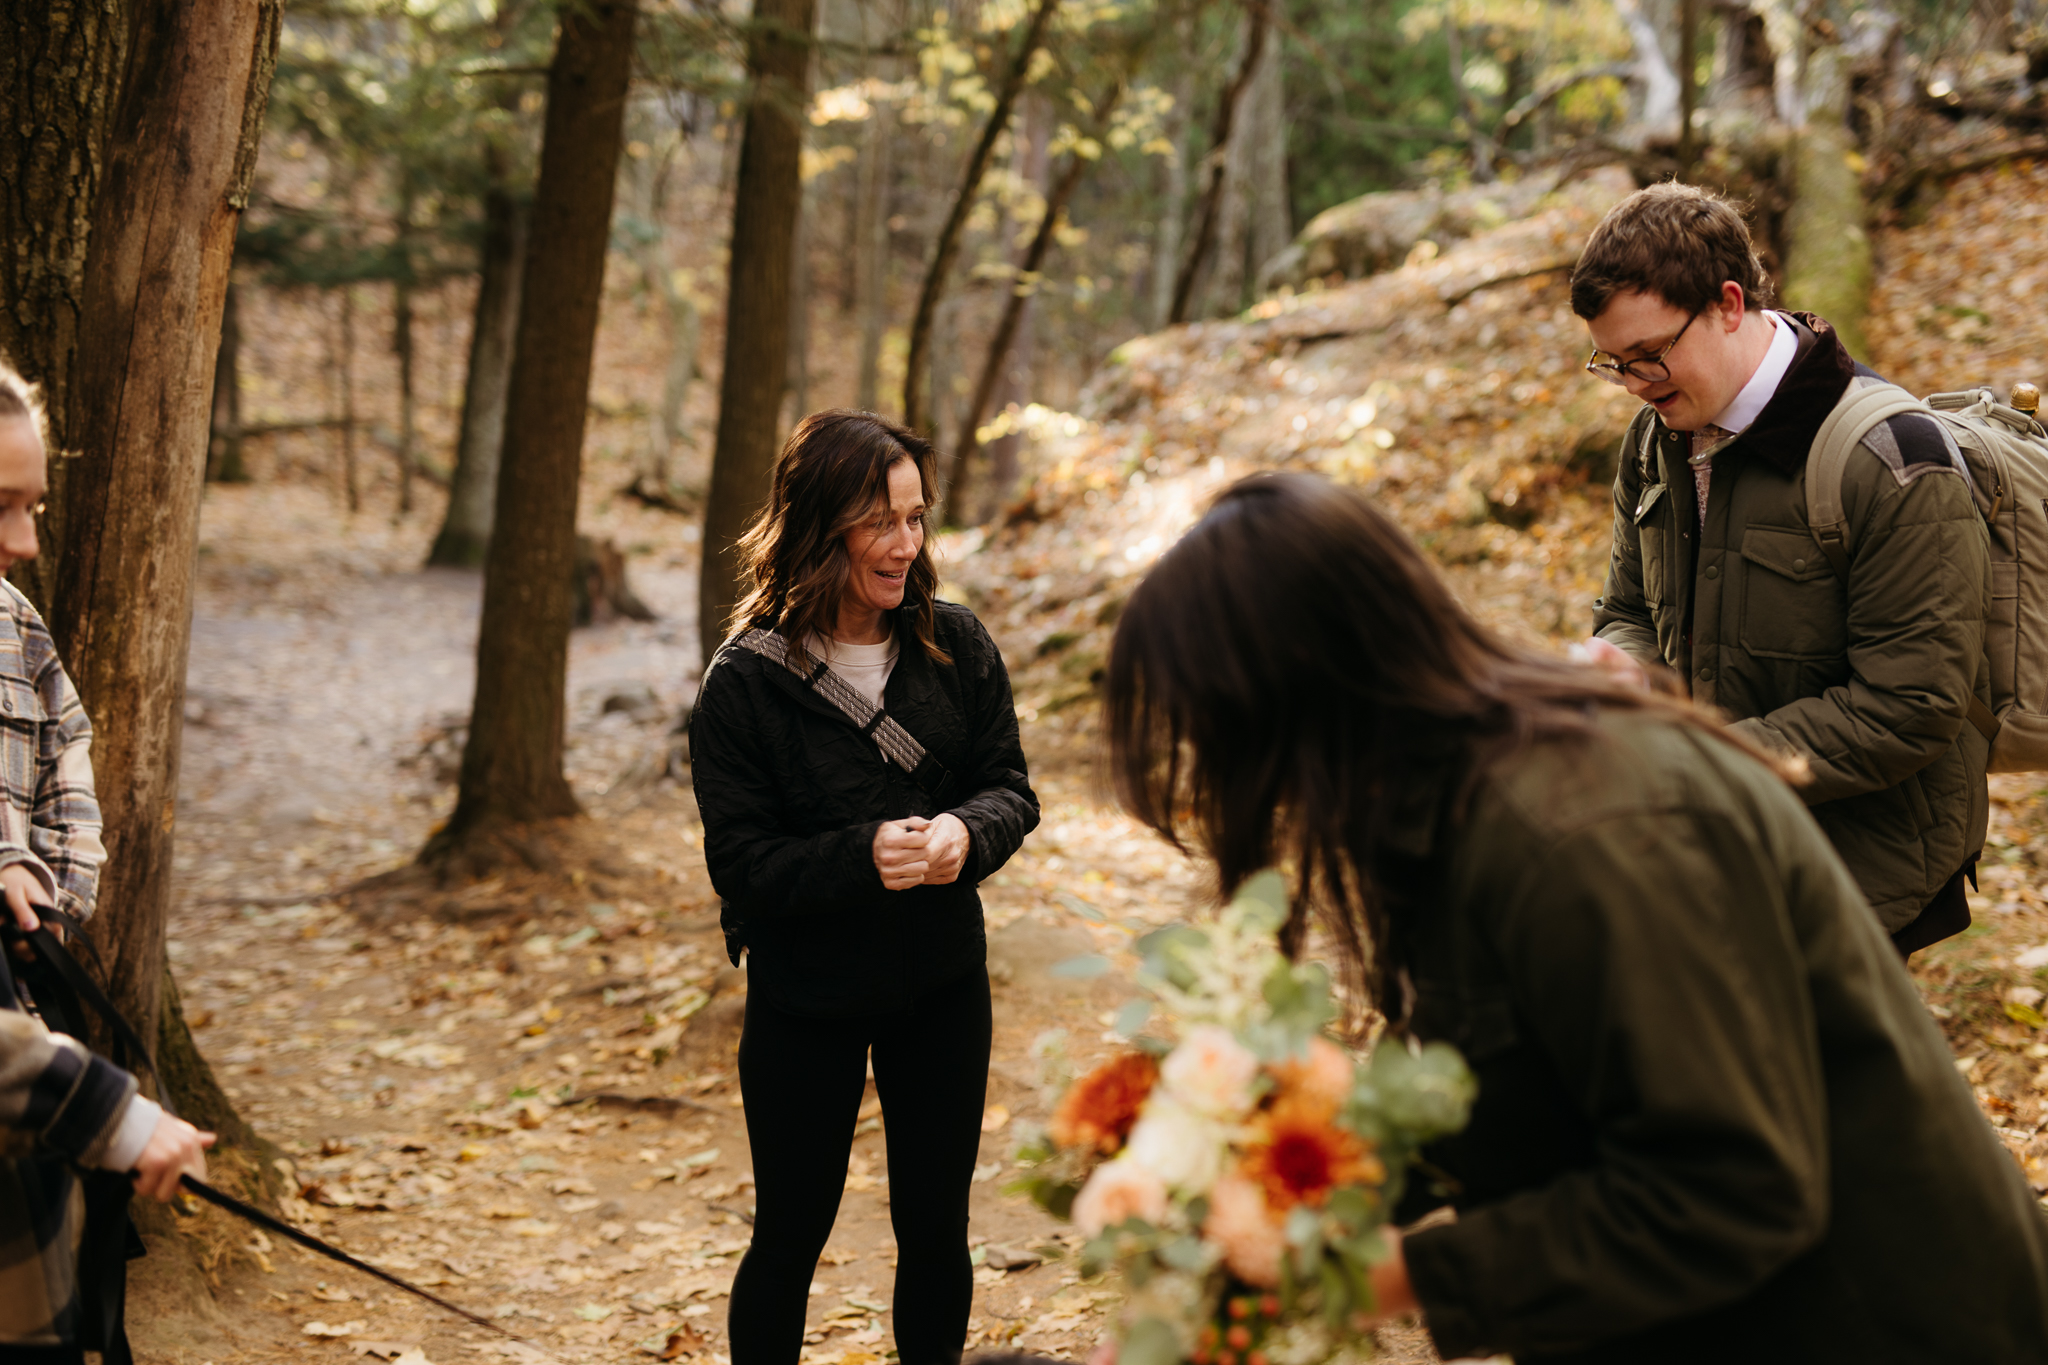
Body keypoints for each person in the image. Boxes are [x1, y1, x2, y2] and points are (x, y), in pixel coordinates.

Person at [1103, 472, 2048, 1363]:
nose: (1226, 780)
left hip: (1868, 1323)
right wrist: (1285, 1207)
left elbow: (1729, 1189)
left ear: (1301, 696)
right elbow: (1505, 1079)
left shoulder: (1589, 825)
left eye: (1220, 733)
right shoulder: (1457, 803)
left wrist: (1381, 1277)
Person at [689, 410, 1040, 1365]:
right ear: (818, 524)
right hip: (806, 1000)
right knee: (789, 1235)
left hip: (941, 986)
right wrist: (861, 856)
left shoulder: (956, 646)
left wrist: (968, 832)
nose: (905, 545)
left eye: (917, 518)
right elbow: (742, 867)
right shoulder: (743, 686)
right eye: (881, 521)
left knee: (937, 1228)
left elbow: (1011, 786)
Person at [1575, 181, 1991, 956]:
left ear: (1729, 304)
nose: (1635, 384)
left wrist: (1716, 762)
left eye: (1651, 355)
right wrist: (1623, 671)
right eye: (1614, 363)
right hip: (1721, 841)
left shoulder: (1891, 459)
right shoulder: (1655, 438)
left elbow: (1913, 703)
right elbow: (1630, 609)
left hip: (1859, 867)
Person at [0, 365, 213, 1362]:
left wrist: (40, 879)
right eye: (1, 505)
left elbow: (60, 761)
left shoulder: (13, 626)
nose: (25, 543)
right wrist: (110, 1117)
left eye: (33, 506)